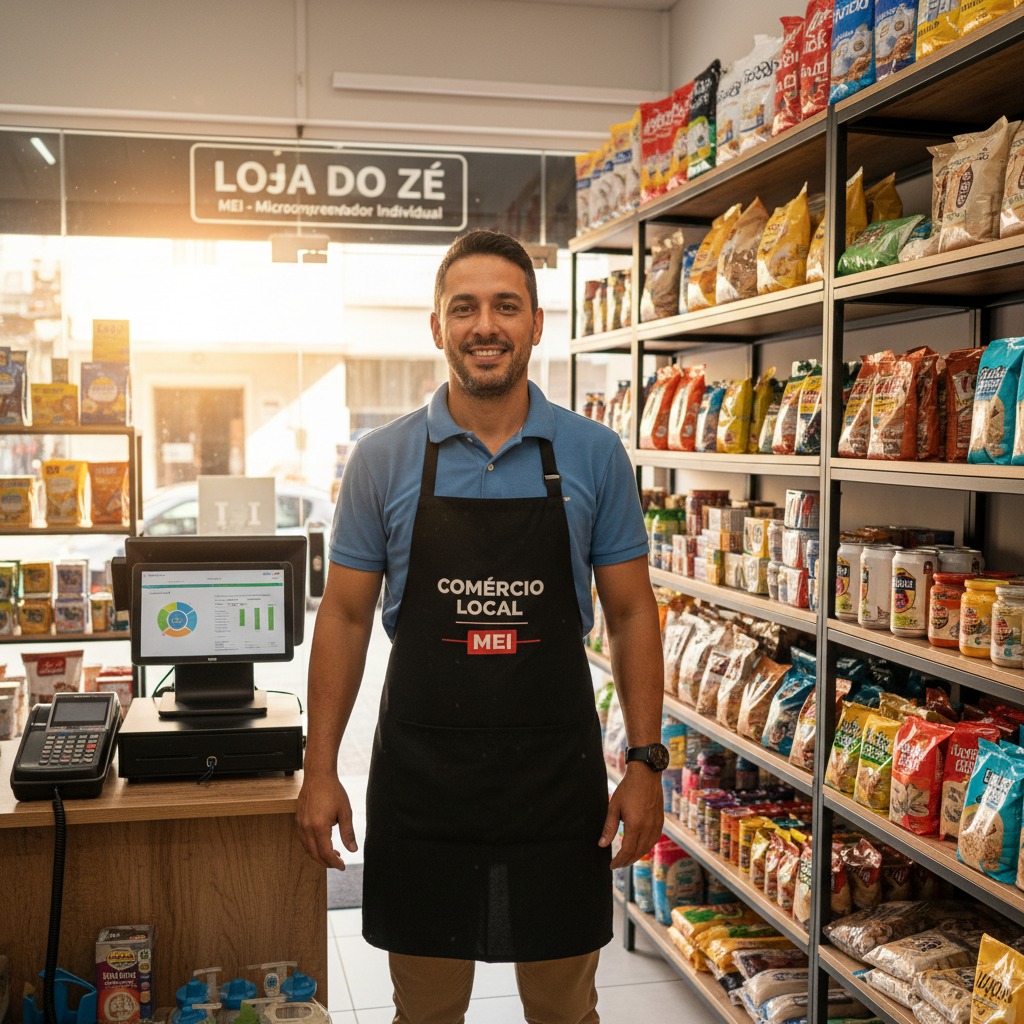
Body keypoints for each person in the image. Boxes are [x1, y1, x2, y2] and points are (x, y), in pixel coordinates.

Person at [296, 228, 666, 1024]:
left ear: (536, 324)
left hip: (554, 785)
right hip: (423, 784)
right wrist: (319, 768)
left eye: (506, 306)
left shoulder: (594, 454)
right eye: (464, 307)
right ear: (437, 327)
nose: (485, 325)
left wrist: (646, 761)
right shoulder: (382, 458)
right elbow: (346, 616)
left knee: (564, 1011)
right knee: (425, 1012)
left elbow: (633, 611)